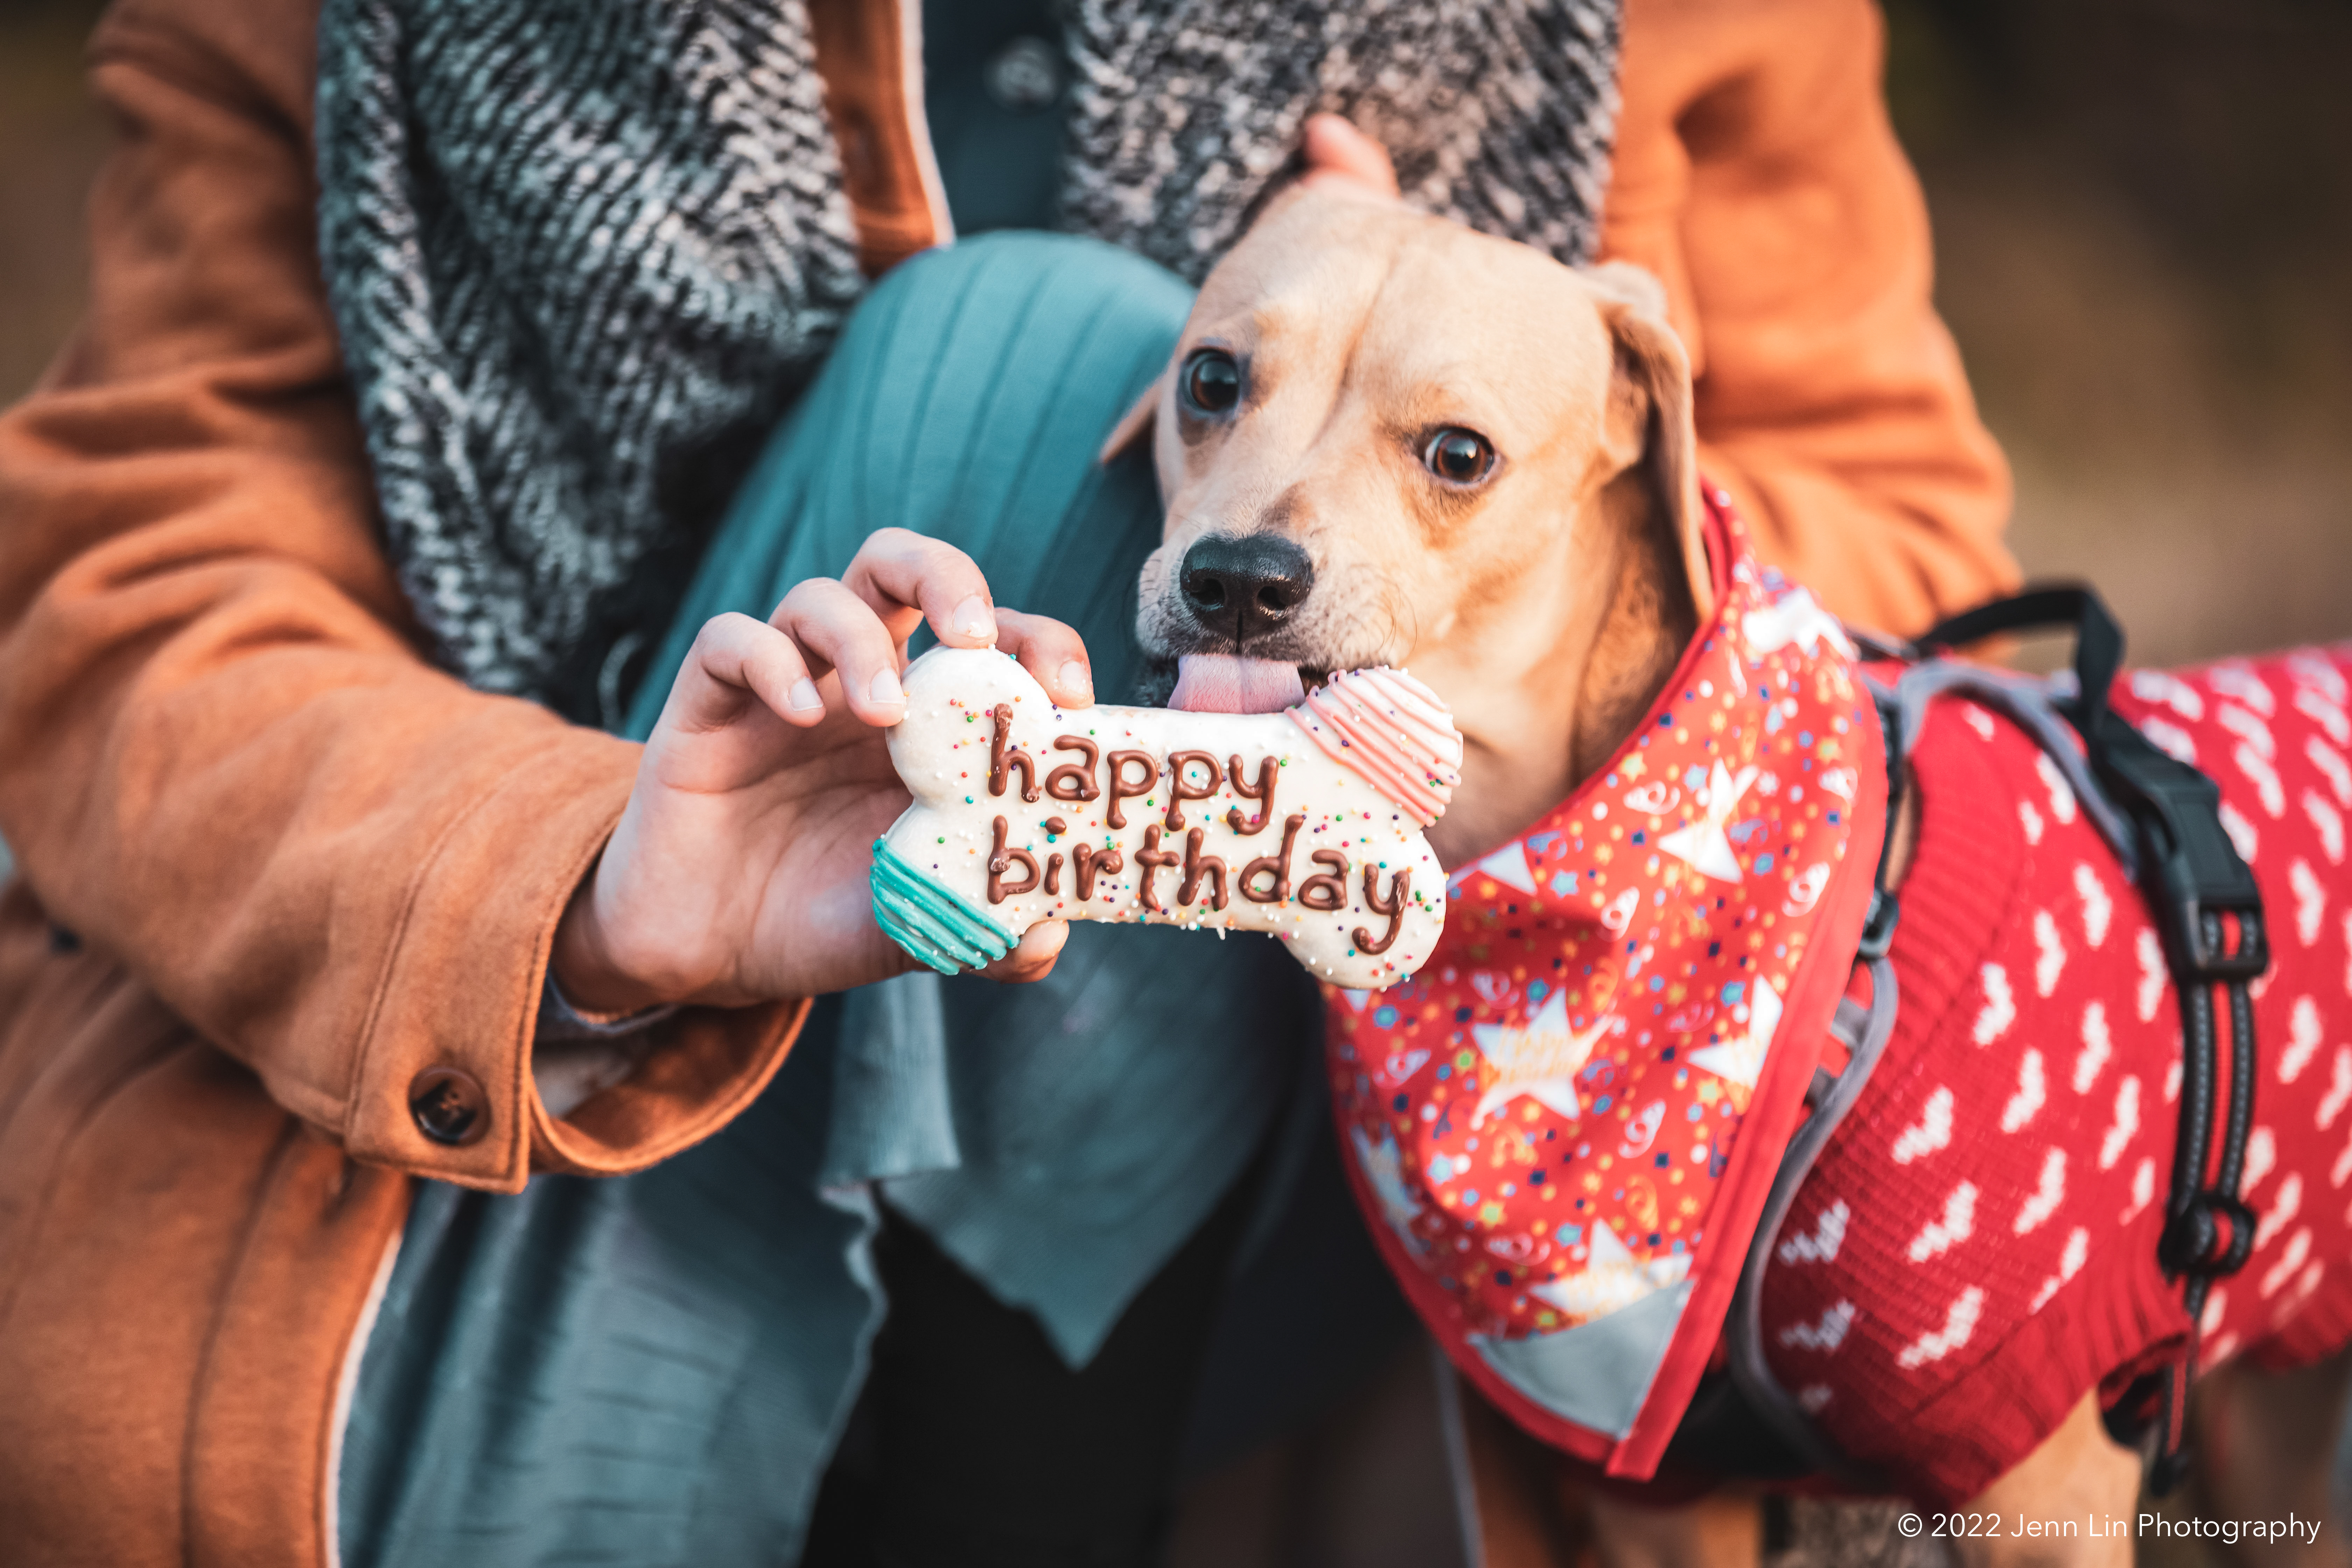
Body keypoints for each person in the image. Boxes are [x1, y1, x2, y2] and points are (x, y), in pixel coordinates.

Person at [0, 0, 2015, 1562]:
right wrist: (586, 891)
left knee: (1067, 382)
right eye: (1220, 393)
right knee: (1050, 365)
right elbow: (130, 613)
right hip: (527, 1120)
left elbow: (1917, 556)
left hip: (1342, 1185)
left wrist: (1439, 516)